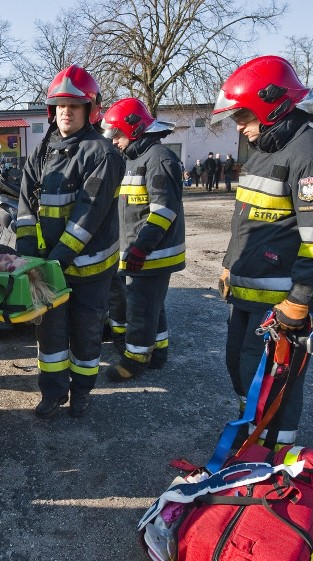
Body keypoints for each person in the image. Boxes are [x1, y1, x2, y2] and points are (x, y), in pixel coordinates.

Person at [212, 55, 313, 447]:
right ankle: (253, 431)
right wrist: (227, 267)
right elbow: (248, 221)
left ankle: (276, 450)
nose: (239, 126)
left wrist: (300, 302)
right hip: (250, 294)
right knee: (242, 367)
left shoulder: (312, 155)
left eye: (243, 115)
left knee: (279, 382)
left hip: (284, 303)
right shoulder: (266, 149)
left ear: (272, 105)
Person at [14, 64, 125, 419]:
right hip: (48, 266)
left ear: (90, 111)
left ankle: (81, 393)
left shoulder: (102, 153)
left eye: (74, 106)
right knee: (49, 336)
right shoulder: (42, 150)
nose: (65, 112)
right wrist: (27, 254)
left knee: (86, 333)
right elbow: (25, 205)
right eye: (60, 105)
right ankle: (52, 393)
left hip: (87, 268)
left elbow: (86, 215)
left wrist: (56, 260)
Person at [100, 97, 185, 382]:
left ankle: (135, 360)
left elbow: (163, 211)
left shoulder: (159, 159)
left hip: (152, 253)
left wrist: (140, 247)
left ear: (134, 130)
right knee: (154, 306)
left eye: (119, 135)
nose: (115, 142)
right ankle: (158, 352)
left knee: (140, 306)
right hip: (143, 251)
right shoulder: (136, 159)